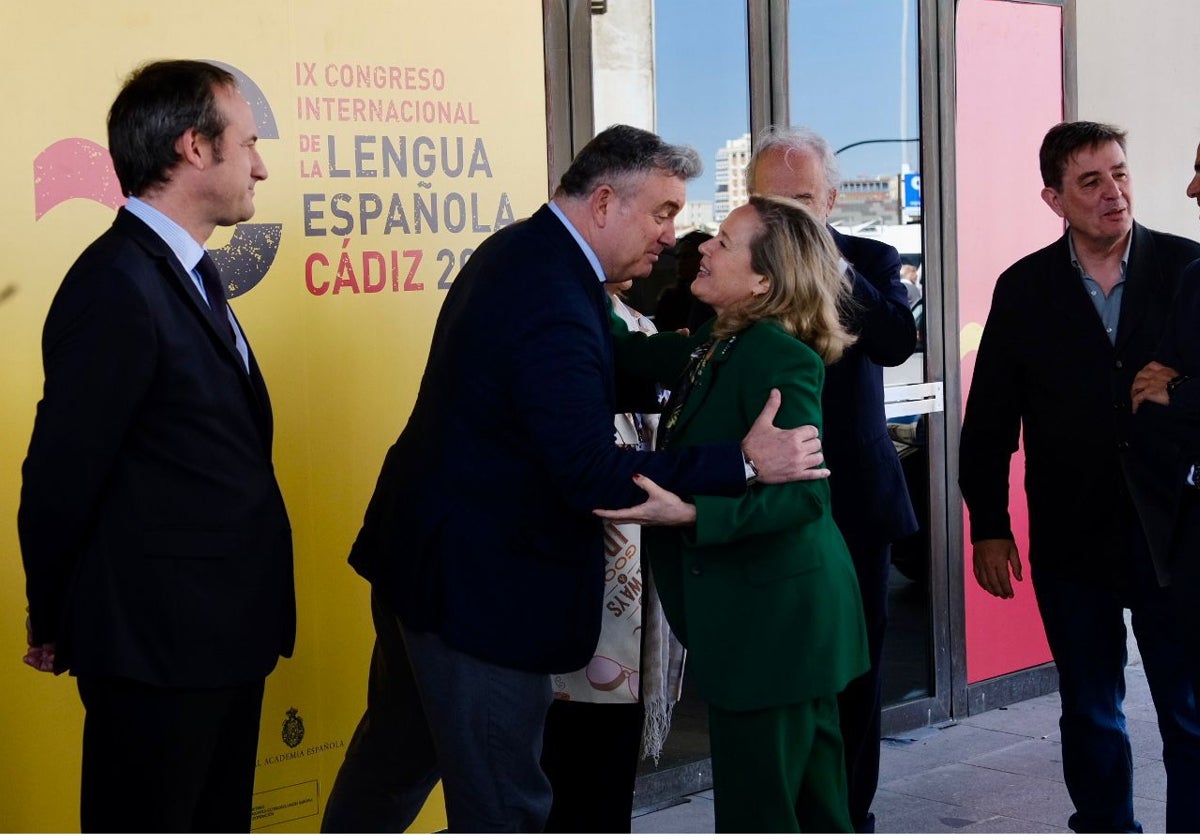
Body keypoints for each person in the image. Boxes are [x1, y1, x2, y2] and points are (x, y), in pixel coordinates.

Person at [321, 124, 829, 834]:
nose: (673, 238)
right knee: (506, 806)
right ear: (601, 203)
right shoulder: (552, 295)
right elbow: (591, 471)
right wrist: (744, 463)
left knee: (395, 764)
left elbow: (573, 380)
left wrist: (696, 373)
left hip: (430, 564)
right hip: (478, 590)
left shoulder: (530, 255)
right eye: (663, 214)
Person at [17, 60, 294, 832]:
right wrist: (53, 611)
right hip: (155, 652)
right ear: (193, 149)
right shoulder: (116, 284)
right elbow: (61, 474)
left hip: (220, 641)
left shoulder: (184, 274)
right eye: (248, 143)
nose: (261, 165)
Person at [597, 195, 869, 833]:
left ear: (763, 279)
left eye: (723, 240)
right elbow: (629, 357)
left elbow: (805, 496)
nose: (703, 248)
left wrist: (690, 514)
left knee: (764, 811)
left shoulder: (779, 357)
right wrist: (588, 276)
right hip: (767, 623)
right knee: (809, 806)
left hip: (777, 628)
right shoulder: (719, 344)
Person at [959, 120, 1200, 833]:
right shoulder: (1025, 288)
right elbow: (991, 422)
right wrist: (991, 528)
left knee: (1189, 715)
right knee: (1091, 711)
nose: (1113, 194)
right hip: (1073, 539)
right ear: (1054, 198)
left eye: (1120, 174)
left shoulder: (1187, 269)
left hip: (1175, 540)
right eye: (1090, 181)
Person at [746, 125, 918, 833]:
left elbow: (897, 343)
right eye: (769, 202)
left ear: (831, 199)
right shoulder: (728, 264)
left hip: (854, 508)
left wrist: (828, 265)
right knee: (774, 682)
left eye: (801, 201)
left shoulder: (870, 258)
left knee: (855, 680)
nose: (785, 218)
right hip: (758, 508)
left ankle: (850, 818)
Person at [539, 280, 682, 833]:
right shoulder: (559, 317)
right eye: (657, 213)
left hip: (635, 581)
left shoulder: (639, 325)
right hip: (569, 582)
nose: (667, 239)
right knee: (564, 759)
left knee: (604, 770)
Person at [1129, 137, 1200, 700]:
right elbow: (1153, 394)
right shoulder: (1195, 278)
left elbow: (1171, 388)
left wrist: (1183, 390)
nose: (1192, 189)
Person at [654, 229, 714, 331]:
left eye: (688, 256)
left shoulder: (716, 300)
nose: (681, 262)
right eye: (678, 257)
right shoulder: (670, 298)